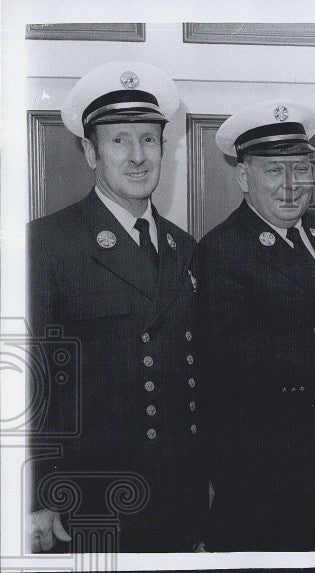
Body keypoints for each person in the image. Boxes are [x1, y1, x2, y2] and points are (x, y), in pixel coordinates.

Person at [27, 61, 207, 552]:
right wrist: (38, 492)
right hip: (89, 496)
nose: (137, 156)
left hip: (177, 494)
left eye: (149, 140)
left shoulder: (183, 247)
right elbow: (27, 379)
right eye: (119, 141)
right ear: (91, 152)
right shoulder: (47, 243)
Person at [198, 101, 315, 551]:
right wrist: (311, 350)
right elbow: (217, 355)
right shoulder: (221, 249)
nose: (292, 186)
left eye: (302, 168)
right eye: (275, 171)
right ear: (244, 177)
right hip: (258, 471)